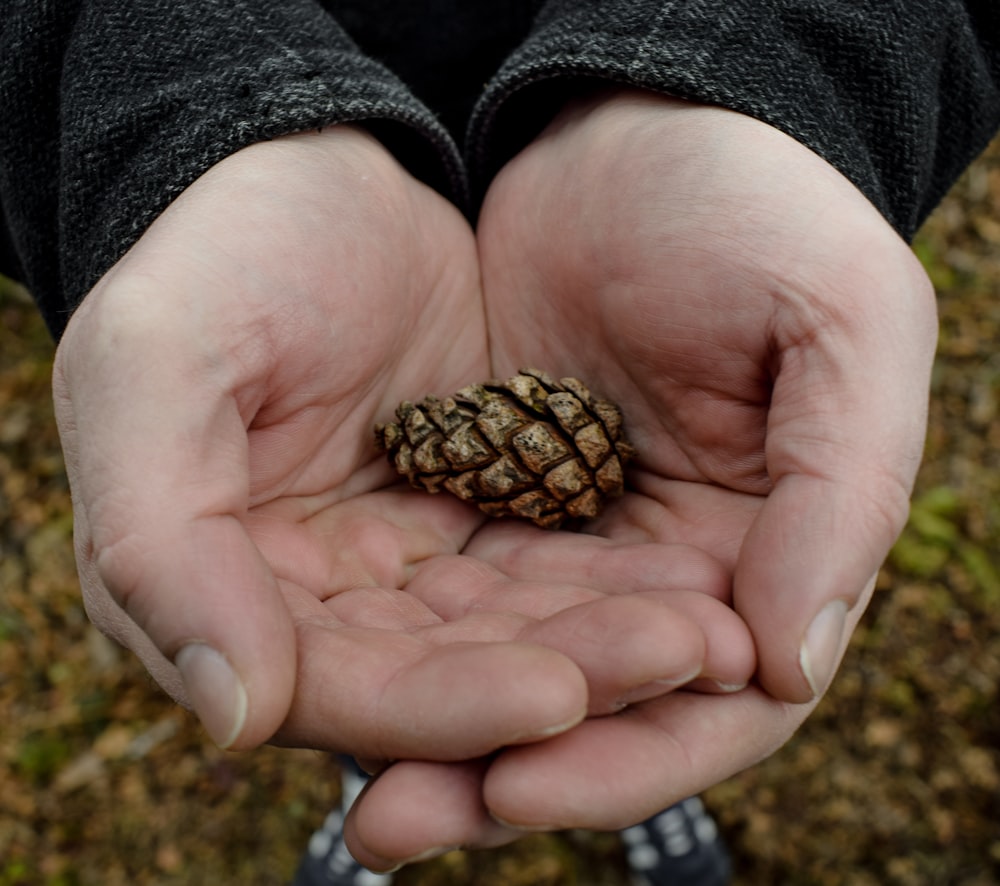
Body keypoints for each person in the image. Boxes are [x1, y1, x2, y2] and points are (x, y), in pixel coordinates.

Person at [1, 1, 998, 882]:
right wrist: (187, 128)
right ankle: (366, 774)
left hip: (610, 133)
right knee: (360, 643)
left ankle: (635, 786)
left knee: (647, 662)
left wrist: (741, 70)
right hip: (316, 177)